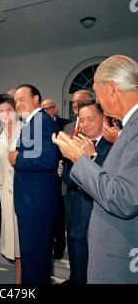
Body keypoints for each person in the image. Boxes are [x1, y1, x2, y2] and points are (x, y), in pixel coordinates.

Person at [52, 54, 138, 283]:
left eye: (97, 94)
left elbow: (124, 198)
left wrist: (80, 160)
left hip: (120, 255)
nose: (98, 100)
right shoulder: (128, 129)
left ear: (111, 88)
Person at [8, 84, 59, 284]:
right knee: (34, 257)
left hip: (36, 204)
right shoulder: (32, 122)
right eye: (16, 101)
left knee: (35, 258)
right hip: (31, 201)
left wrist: (17, 159)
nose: (18, 104)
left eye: (22, 99)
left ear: (36, 98)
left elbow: (48, 159)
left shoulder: (41, 122)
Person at [62, 101, 112, 284]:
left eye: (90, 119)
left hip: (100, 218)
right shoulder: (77, 143)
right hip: (76, 212)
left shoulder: (113, 145)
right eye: (81, 120)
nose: (85, 124)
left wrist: (89, 160)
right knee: (77, 263)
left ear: (103, 118)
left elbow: (109, 182)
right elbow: (67, 179)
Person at [0, 94, 22, 284]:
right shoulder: (0, 135)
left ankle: (22, 280)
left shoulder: (27, 131)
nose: (5, 114)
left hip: (24, 193)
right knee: (13, 241)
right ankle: (19, 279)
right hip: (6, 194)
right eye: (1, 111)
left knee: (24, 240)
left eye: (9, 110)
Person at [41, 98, 71, 259]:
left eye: (49, 108)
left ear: (56, 108)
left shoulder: (65, 125)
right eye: (43, 109)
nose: (46, 111)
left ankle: (59, 248)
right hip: (45, 176)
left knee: (59, 214)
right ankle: (47, 245)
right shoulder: (38, 126)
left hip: (61, 174)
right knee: (47, 213)